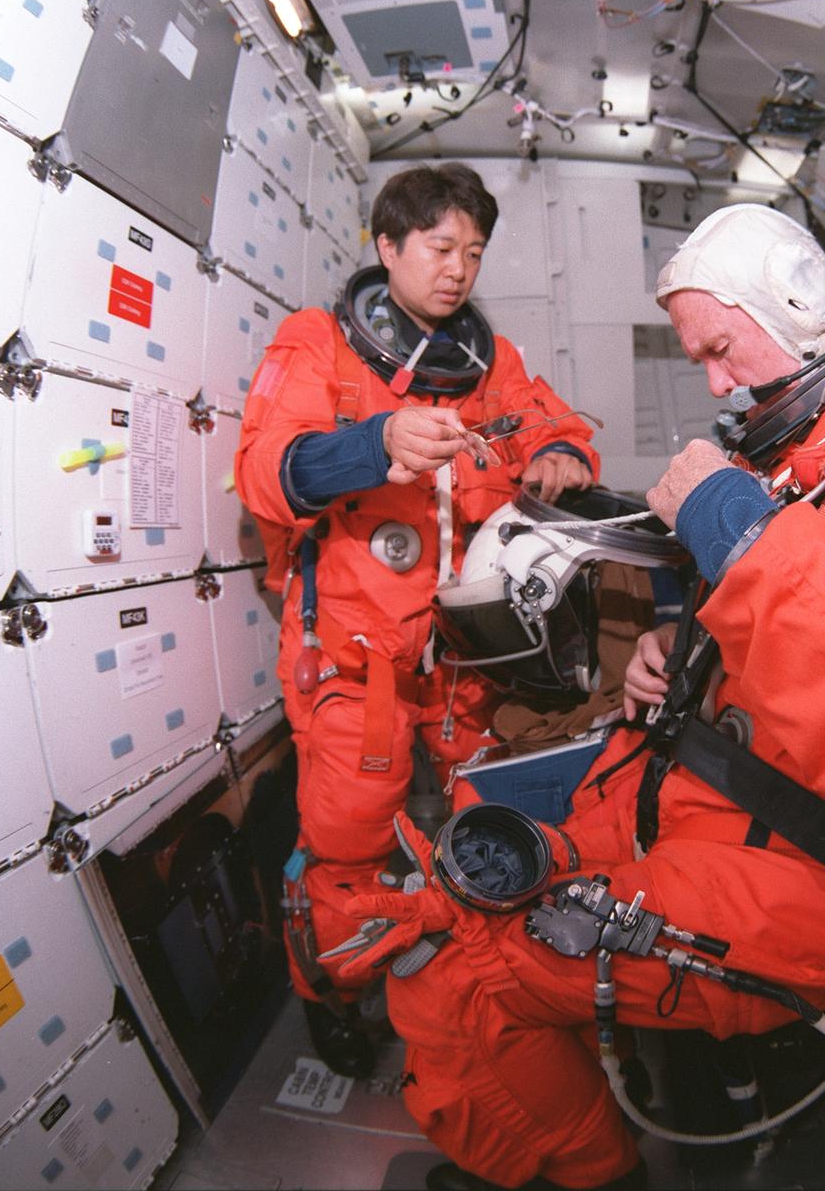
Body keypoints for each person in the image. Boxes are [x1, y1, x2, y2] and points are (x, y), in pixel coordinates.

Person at [334, 203, 825, 1191]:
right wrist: (686, 645)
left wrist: (727, 518)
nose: (711, 381)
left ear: (790, 304)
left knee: (464, 981)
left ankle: (593, 1175)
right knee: (459, 896)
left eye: (715, 349)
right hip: (740, 789)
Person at [234, 163, 598, 1076]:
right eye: (440, 248)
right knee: (349, 850)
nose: (458, 270)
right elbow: (266, 475)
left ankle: (476, 989)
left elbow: (549, 421)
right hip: (355, 660)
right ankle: (337, 994)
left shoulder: (486, 360)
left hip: (458, 662)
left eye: (473, 252)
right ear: (388, 246)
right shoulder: (318, 343)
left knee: (481, 820)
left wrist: (557, 453)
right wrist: (375, 443)